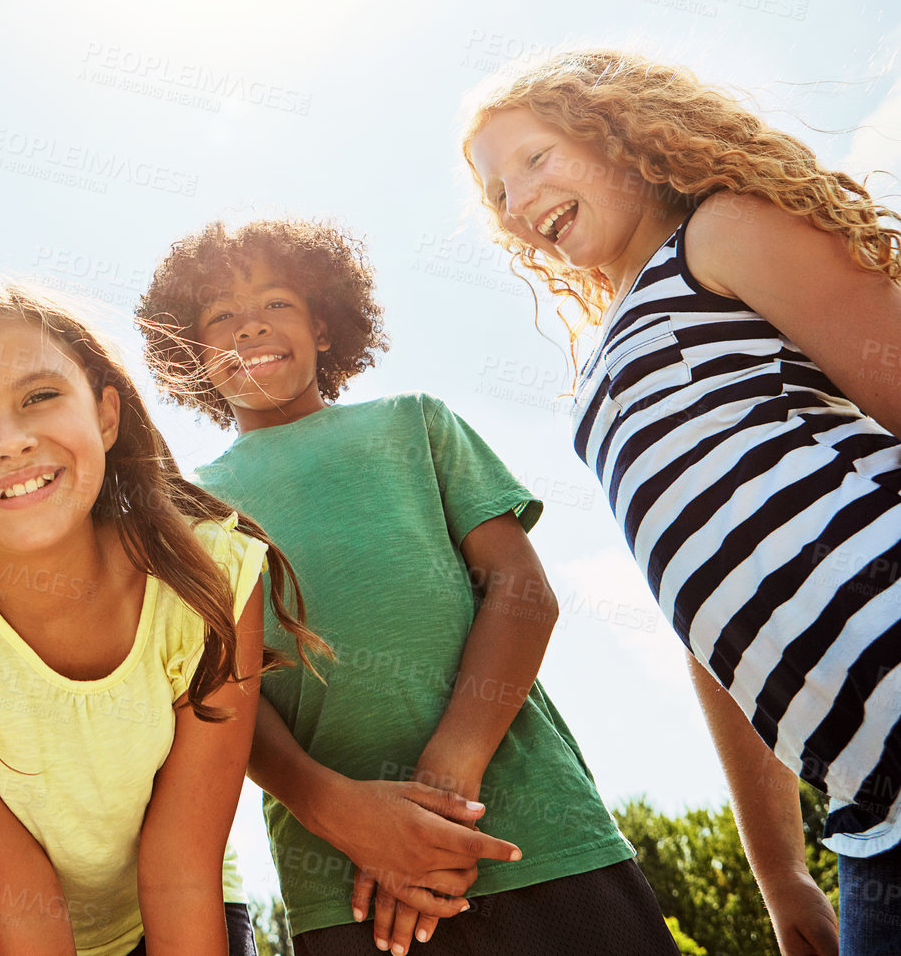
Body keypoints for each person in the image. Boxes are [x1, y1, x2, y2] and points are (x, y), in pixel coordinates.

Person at [136, 218, 676, 956]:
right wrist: (345, 816)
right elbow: (218, 695)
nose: (249, 326)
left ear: (325, 328)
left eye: (275, 304)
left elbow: (522, 591)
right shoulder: (186, 510)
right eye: (219, 316)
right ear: (191, 354)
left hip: (535, 834)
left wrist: (446, 782)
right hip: (344, 882)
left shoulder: (414, 422)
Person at [464, 47, 901, 955]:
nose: (516, 198)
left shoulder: (719, 235)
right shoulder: (598, 383)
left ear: (617, 134)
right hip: (870, 810)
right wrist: (779, 873)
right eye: (497, 190)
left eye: (534, 158)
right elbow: (712, 626)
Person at [0, 281, 325, 956]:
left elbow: (180, 865)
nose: (10, 442)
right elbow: (17, 891)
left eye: (40, 397)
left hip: (180, 905)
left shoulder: (207, 576)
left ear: (104, 415)